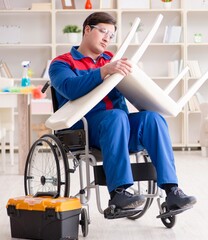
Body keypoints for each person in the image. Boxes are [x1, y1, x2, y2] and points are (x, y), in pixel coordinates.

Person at [49, 12, 196, 211]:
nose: (107, 38)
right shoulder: (62, 63)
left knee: (153, 119)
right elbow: (69, 88)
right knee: (116, 117)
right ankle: (119, 194)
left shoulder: (112, 59)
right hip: (86, 131)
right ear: (87, 29)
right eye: (103, 31)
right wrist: (104, 71)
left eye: (111, 35)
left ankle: (172, 192)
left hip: (120, 127)